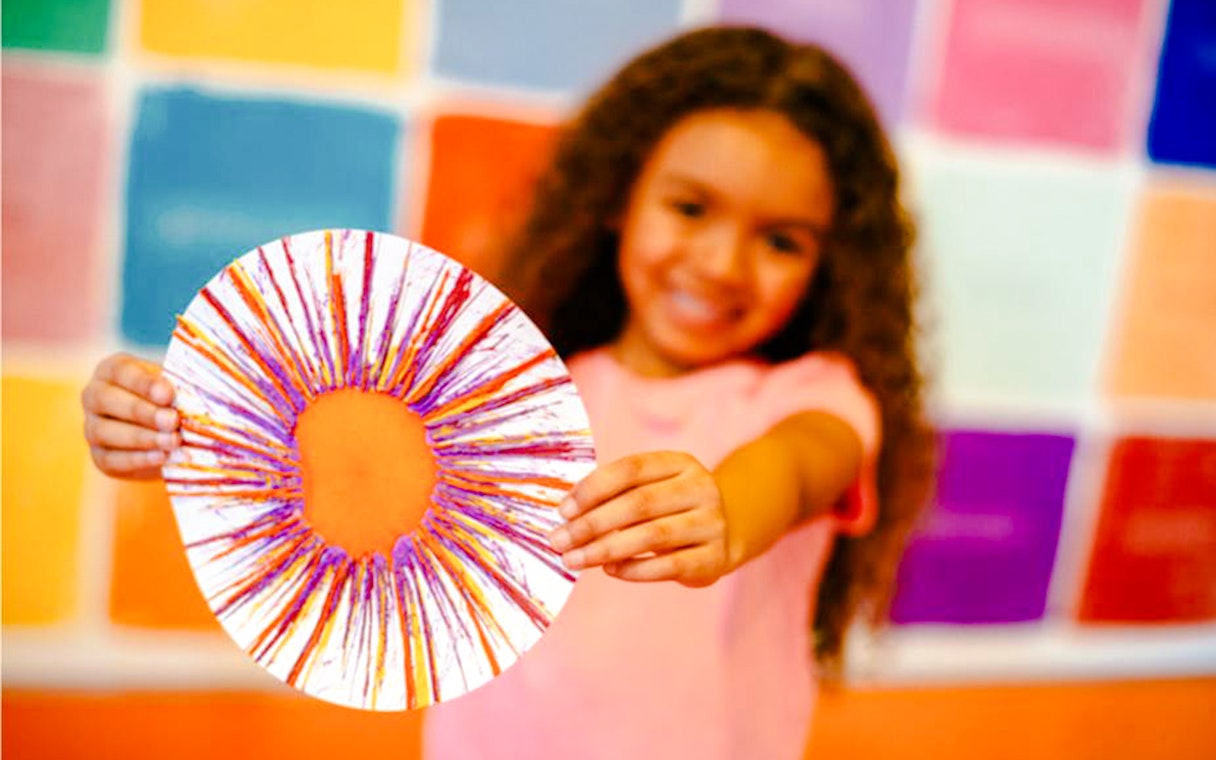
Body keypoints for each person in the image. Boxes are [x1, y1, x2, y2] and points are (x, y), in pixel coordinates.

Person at [81, 25, 933, 760]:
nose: (719, 264)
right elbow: (327, 461)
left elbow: (798, 466)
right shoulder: (508, 395)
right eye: (690, 208)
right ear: (619, 201)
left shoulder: (815, 395)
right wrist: (170, 430)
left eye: (780, 241)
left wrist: (726, 507)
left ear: (831, 267)